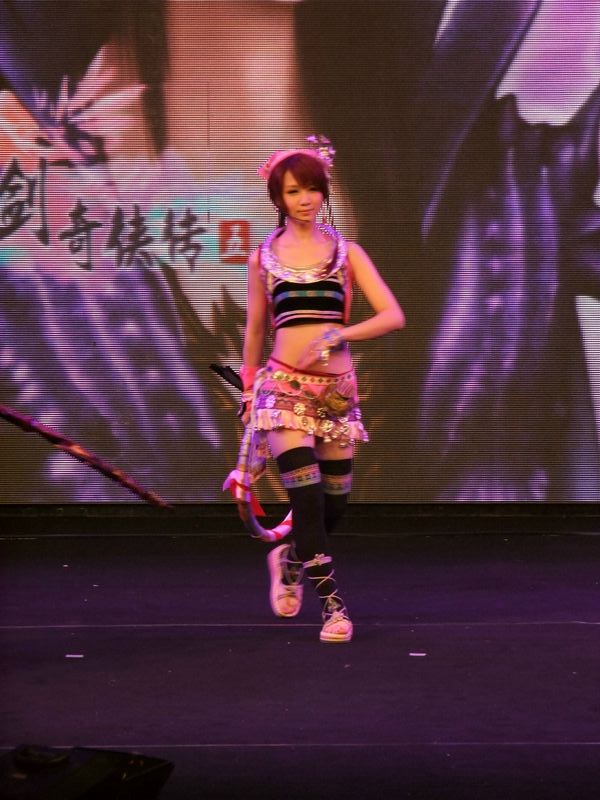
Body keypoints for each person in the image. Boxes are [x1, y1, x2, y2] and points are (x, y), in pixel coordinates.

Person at [225, 139, 405, 642]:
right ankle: (333, 608)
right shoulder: (263, 258)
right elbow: (255, 330)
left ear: (323, 192)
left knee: (333, 506)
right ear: (277, 198)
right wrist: (248, 390)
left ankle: (289, 557)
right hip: (282, 388)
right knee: (305, 501)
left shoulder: (347, 253)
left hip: (336, 393)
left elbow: (393, 315)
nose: (304, 199)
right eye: (292, 191)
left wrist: (338, 334)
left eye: (311, 189)